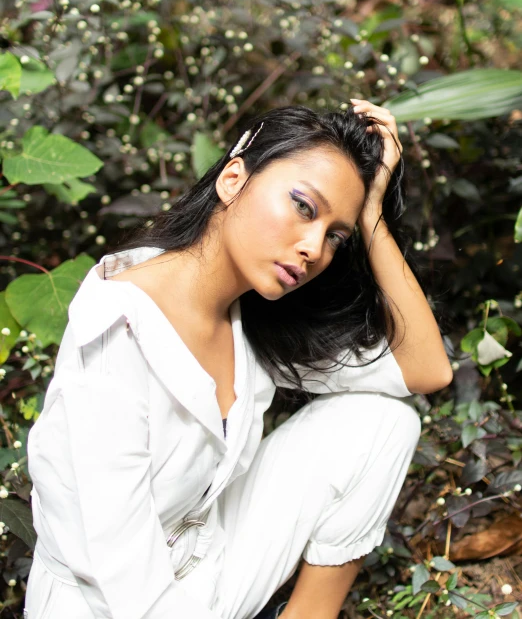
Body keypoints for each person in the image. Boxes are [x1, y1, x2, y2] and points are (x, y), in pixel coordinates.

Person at [24, 102, 452, 619]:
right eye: (303, 206)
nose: (314, 248)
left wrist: (372, 214)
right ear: (233, 179)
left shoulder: (251, 319)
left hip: (206, 567)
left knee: (384, 421)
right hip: (105, 605)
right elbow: (130, 588)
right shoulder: (116, 340)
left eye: (336, 235)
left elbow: (427, 370)